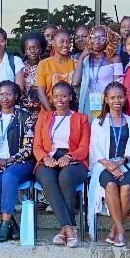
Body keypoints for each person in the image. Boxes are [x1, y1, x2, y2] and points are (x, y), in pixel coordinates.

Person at [33, 81, 90, 247]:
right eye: (56, 96)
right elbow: (37, 145)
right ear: (52, 98)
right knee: (49, 179)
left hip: (75, 159)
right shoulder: (44, 117)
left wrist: (70, 157)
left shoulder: (81, 119)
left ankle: (64, 229)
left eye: (64, 96)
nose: (60, 99)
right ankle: (70, 228)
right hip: (47, 158)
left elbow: (84, 148)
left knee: (65, 177)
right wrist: (45, 158)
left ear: (70, 97)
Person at [89, 82, 130, 248]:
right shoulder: (98, 122)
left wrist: (119, 162)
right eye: (112, 98)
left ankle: (114, 228)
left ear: (125, 99)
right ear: (106, 100)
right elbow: (95, 149)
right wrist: (109, 165)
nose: (116, 101)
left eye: (120, 97)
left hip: (126, 164)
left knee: (126, 187)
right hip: (104, 165)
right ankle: (121, 230)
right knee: (110, 185)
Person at [0, 80, 34, 242]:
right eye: (1, 94)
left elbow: (28, 147)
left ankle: (4, 225)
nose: (5, 98)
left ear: (16, 96)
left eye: (9, 94)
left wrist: (8, 160)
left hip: (20, 163)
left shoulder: (25, 116)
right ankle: (11, 223)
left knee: (9, 177)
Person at [74, 27, 119, 118]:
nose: (97, 41)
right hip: (89, 104)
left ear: (107, 40)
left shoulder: (115, 58)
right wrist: (82, 58)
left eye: (101, 38)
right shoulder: (86, 59)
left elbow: (118, 85)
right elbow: (75, 82)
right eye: (94, 37)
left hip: (108, 104)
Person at [35, 29, 76, 111]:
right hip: (48, 113)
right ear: (53, 42)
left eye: (68, 42)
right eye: (62, 41)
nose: (65, 45)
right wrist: (53, 115)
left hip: (72, 114)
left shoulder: (76, 64)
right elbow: (41, 94)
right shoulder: (44, 64)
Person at [19, 32, 46, 115]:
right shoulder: (20, 68)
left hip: (43, 109)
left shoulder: (46, 66)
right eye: (29, 48)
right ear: (25, 51)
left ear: (41, 49)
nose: (32, 51)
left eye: (35, 48)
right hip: (24, 110)